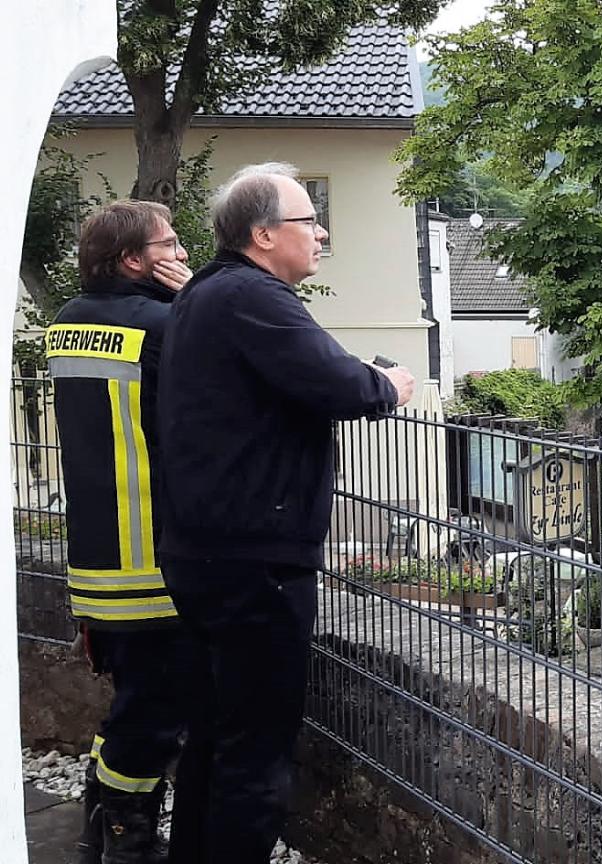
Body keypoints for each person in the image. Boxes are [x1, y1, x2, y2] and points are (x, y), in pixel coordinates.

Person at [156, 162, 414, 864]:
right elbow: (337, 380)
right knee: (256, 760)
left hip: (202, 550)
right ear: (264, 234)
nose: (321, 230)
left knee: (214, 741)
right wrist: (390, 384)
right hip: (255, 562)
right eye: (309, 218)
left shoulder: (203, 295)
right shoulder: (251, 296)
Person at [45, 200, 194, 863]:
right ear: (135, 260)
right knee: (156, 714)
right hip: (155, 565)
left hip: (97, 561)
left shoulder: (66, 324)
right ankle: (128, 842)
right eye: (170, 245)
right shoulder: (164, 327)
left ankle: (97, 825)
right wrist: (197, 306)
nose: (184, 253)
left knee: (134, 701)